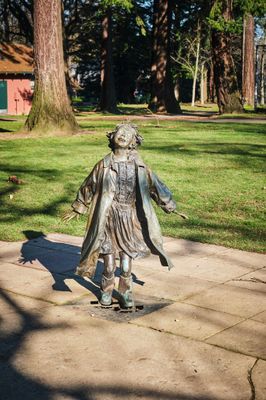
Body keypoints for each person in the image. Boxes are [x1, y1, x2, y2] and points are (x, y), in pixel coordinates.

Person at [63, 123, 176, 308]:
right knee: (108, 264)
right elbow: (88, 185)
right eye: (119, 132)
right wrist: (79, 206)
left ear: (133, 142)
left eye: (128, 134)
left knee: (125, 264)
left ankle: (125, 291)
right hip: (107, 218)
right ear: (112, 137)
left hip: (129, 218)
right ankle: (106, 290)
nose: (122, 135)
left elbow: (156, 185)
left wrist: (169, 204)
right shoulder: (103, 165)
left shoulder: (139, 166)